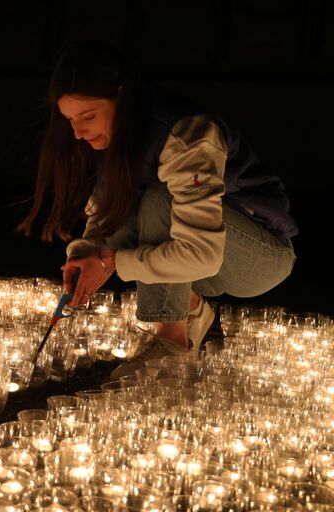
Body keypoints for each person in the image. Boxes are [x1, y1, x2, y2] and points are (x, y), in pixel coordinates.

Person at [17, 39, 297, 379]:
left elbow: (202, 255)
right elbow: (106, 215)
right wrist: (89, 255)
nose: (77, 132)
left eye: (87, 116)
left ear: (121, 95)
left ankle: (172, 339)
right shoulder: (109, 140)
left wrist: (110, 262)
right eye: (70, 120)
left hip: (258, 258)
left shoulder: (187, 135)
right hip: (203, 263)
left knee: (158, 200)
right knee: (129, 210)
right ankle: (190, 306)